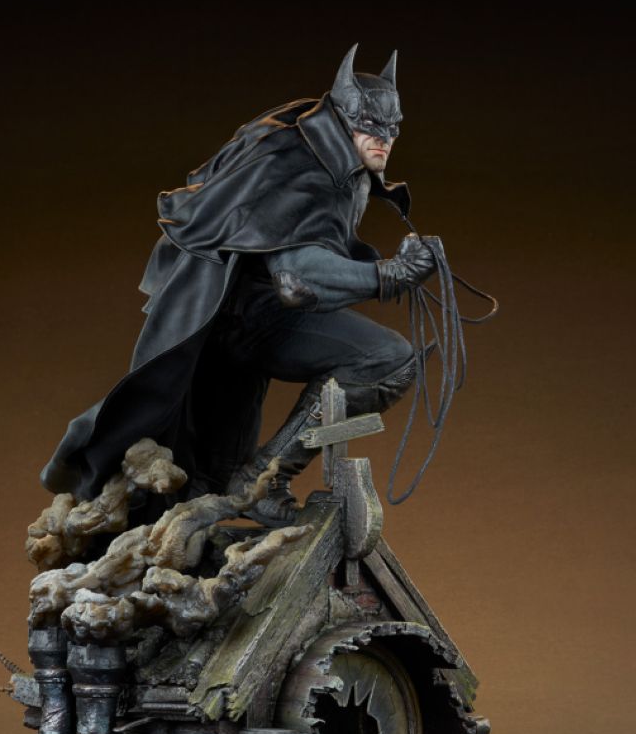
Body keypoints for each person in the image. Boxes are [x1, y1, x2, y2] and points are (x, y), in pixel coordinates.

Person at [40, 45, 443, 525]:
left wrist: (381, 266)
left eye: (392, 129)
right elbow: (297, 279)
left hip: (231, 320)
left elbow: (305, 241)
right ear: (343, 116)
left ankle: (203, 525)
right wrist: (391, 274)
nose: (384, 140)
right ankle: (266, 480)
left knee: (204, 489)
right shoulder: (299, 158)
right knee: (387, 359)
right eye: (371, 127)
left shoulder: (315, 138)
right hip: (242, 318)